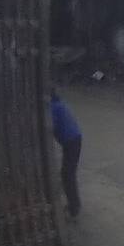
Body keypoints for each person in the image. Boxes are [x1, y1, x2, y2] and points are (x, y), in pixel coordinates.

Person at [49, 89, 82, 218]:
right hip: (74, 139)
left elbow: (50, 127)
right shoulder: (59, 104)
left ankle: (74, 208)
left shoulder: (52, 108)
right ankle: (73, 204)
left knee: (67, 175)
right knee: (68, 173)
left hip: (71, 142)